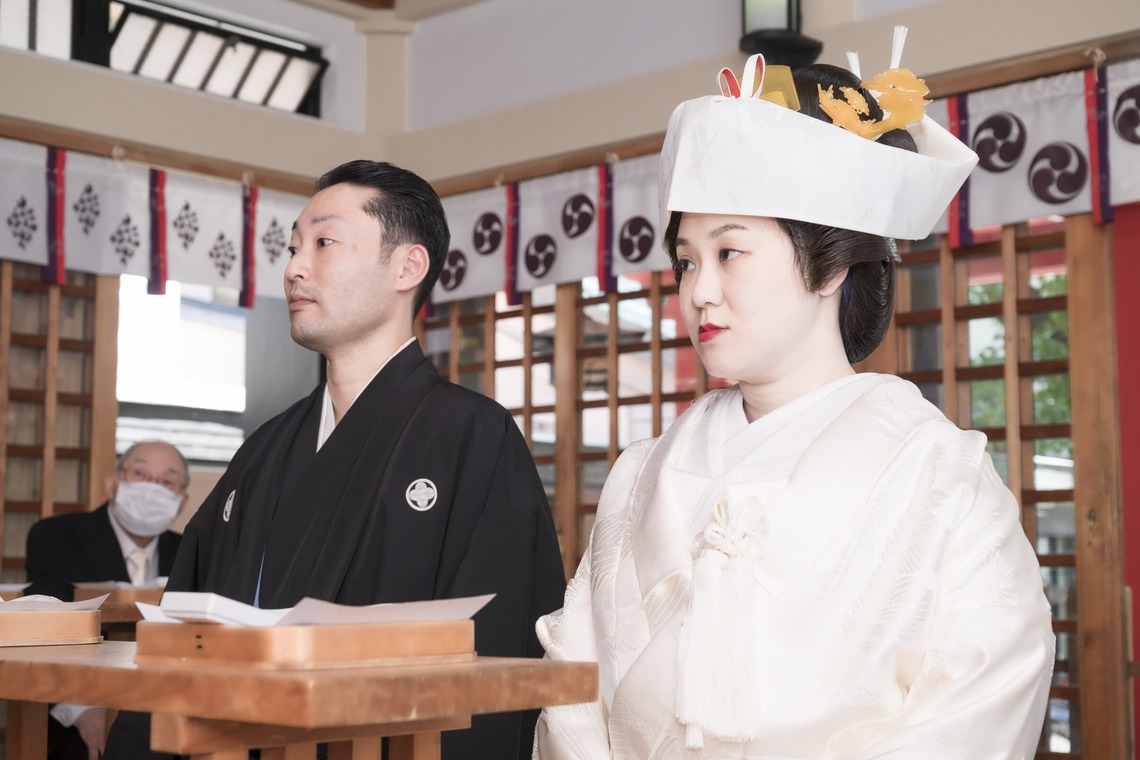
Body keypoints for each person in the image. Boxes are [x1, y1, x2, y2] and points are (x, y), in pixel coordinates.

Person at [533, 32, 1055, 759]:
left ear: (830, 266)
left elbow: (981, 701)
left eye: (730, 252)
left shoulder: (940, 475)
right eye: (686, 261)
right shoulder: (640, 473)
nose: (697, 292)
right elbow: (573, 694)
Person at [104, 160, 566, 760]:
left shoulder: (474, 438)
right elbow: (179, 639)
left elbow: (499, 660)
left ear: (408, 266)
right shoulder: (265, 449)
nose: (295, 267)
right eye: (293, 246)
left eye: (323, 242)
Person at [25, 439, 190, 760]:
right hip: (74, 702)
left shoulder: (189, 551)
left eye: (167, 481)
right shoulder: (57, 536)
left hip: (165, 704)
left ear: (181, 502)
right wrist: (81, 708)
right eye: (140, 473)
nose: (152, 488)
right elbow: (43, 631)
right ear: (112, 483)